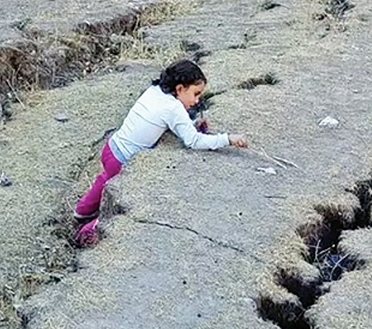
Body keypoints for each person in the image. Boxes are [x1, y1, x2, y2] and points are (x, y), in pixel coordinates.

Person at [72, 59, 248, 246]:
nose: (196, 100)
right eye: (195, 94)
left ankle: (81, 211)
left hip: (111, 147)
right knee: (118, 199)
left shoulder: (154, 91)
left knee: (104, 180)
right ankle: (90, 231)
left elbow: (161, 120)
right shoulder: (173, 108)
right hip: (122, 161)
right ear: (180, 89)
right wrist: (227, 138)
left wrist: (190, 125)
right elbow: (193, 141)